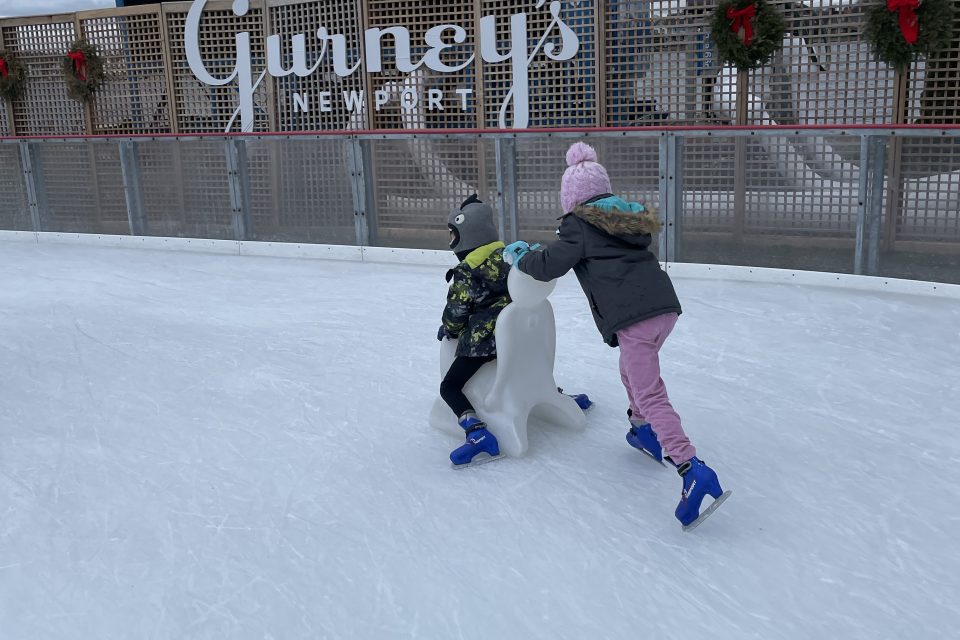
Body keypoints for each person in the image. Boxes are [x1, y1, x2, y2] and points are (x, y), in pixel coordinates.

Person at [503, 142, 729, 529]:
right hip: (663, 310)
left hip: (635, 317)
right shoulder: (626, 221)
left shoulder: (579, 224)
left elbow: (548, 266)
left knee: (649, 390)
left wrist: (520, 256)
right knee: (631, 370)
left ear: (572, 198)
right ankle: (643, 431)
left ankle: (692, 468)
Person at [438, 194, 510, 468]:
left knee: (449, 386)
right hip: (516, 340)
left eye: (453, 234)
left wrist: (448, 329)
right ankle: (556, 394)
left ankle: (477, 433)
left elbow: (456, 313)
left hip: (484, 343)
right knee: (520, 366)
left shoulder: (467, 271)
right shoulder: (511, 257)